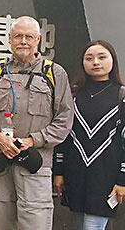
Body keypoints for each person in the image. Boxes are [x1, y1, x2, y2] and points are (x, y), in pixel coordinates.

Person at [0, 16, 73, 230]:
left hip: (35, 163)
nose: (23, 41)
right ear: (9, 39)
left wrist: (32, 140)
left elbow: (64, 120)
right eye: (18, 36)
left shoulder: (54, 73)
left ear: (38, 39)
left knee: (36, 222)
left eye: (29, 37)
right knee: (0, 223)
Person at [53, 40, 125, 230]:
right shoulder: (72, 94)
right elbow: (63, 137)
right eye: (89, 58)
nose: (96, 62)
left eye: (102, 57)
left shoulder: (122, 96)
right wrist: (58, 172)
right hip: (75, 175)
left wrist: (122, 180)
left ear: (113, 61)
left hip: (107, 178)